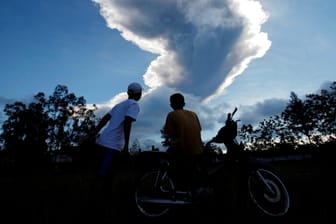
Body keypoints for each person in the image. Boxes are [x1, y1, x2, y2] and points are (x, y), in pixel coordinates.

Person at [162, 93, 204, 188]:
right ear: (184, 104)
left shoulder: (171, 115)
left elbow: (169, 134)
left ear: (171, 105)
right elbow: (199, 130)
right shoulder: (193, 114)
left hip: (182, 150)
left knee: (169, 165)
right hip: (198, 151)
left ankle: (174, 186)